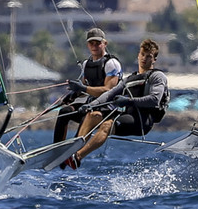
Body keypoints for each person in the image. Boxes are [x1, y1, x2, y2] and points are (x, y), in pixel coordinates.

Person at [64, 39, 169, 168]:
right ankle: (72, 152)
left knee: (107, 125)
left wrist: (128, 101)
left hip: (142, 121)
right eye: (142, 54)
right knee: (92, 115)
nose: (144, 59)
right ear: (138, 55)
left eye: (149, 56)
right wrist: (91, 105)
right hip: (127, 116)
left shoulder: (157, 76)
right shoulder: (129, 79)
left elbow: (154, 99)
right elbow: (109, 94)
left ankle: (77, 157)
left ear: (154, 59)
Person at [52, 31, 124, 144]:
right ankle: (56, 148)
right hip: (90, 104)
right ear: (87, 45)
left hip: (107, 108)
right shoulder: (86, 63)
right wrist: (74, 94)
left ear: (105, 43)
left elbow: (108, 91)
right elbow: (85, 87)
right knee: (64, 111)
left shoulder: (112, 64)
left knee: (86, 116)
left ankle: (74, 148)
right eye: (91, 43)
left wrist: (82, 88)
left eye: (98, 43)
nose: (94, 46)